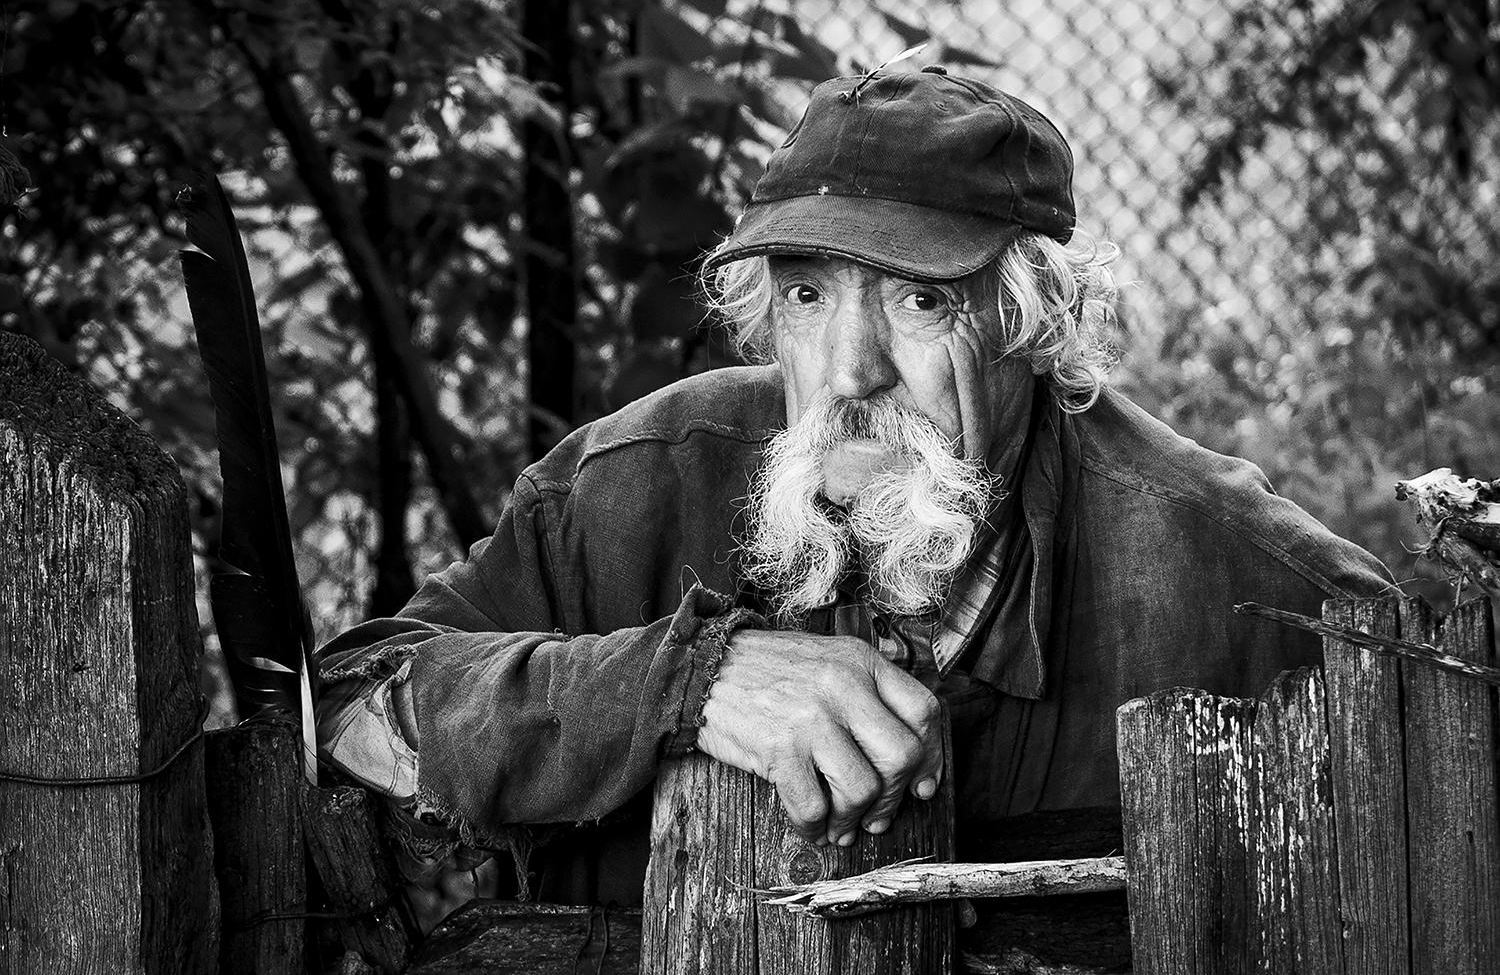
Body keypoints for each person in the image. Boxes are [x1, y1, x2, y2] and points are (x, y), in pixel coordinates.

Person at [315, 67, 1393, 918]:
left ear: (1034, 321)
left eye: (920, 302)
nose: (848, 373)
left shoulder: (1236, 571)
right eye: (807, 296)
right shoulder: (631, 486)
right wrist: (680, 684)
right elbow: (345, 708)